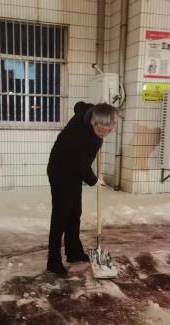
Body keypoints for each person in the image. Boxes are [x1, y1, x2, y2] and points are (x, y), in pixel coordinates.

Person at [46, 102, 119, 275]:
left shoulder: (89, 112)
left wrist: (94, 109)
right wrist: (94, 181)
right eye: (101, 131)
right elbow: (81, 166)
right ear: (93, 122)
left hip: (75, 171)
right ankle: (53, 261)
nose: (105, 134)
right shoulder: (84, 138)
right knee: (61, 216)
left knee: (74, 213)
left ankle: (73, 252)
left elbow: (79, 105)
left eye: (110, 129)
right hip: (60, 171)